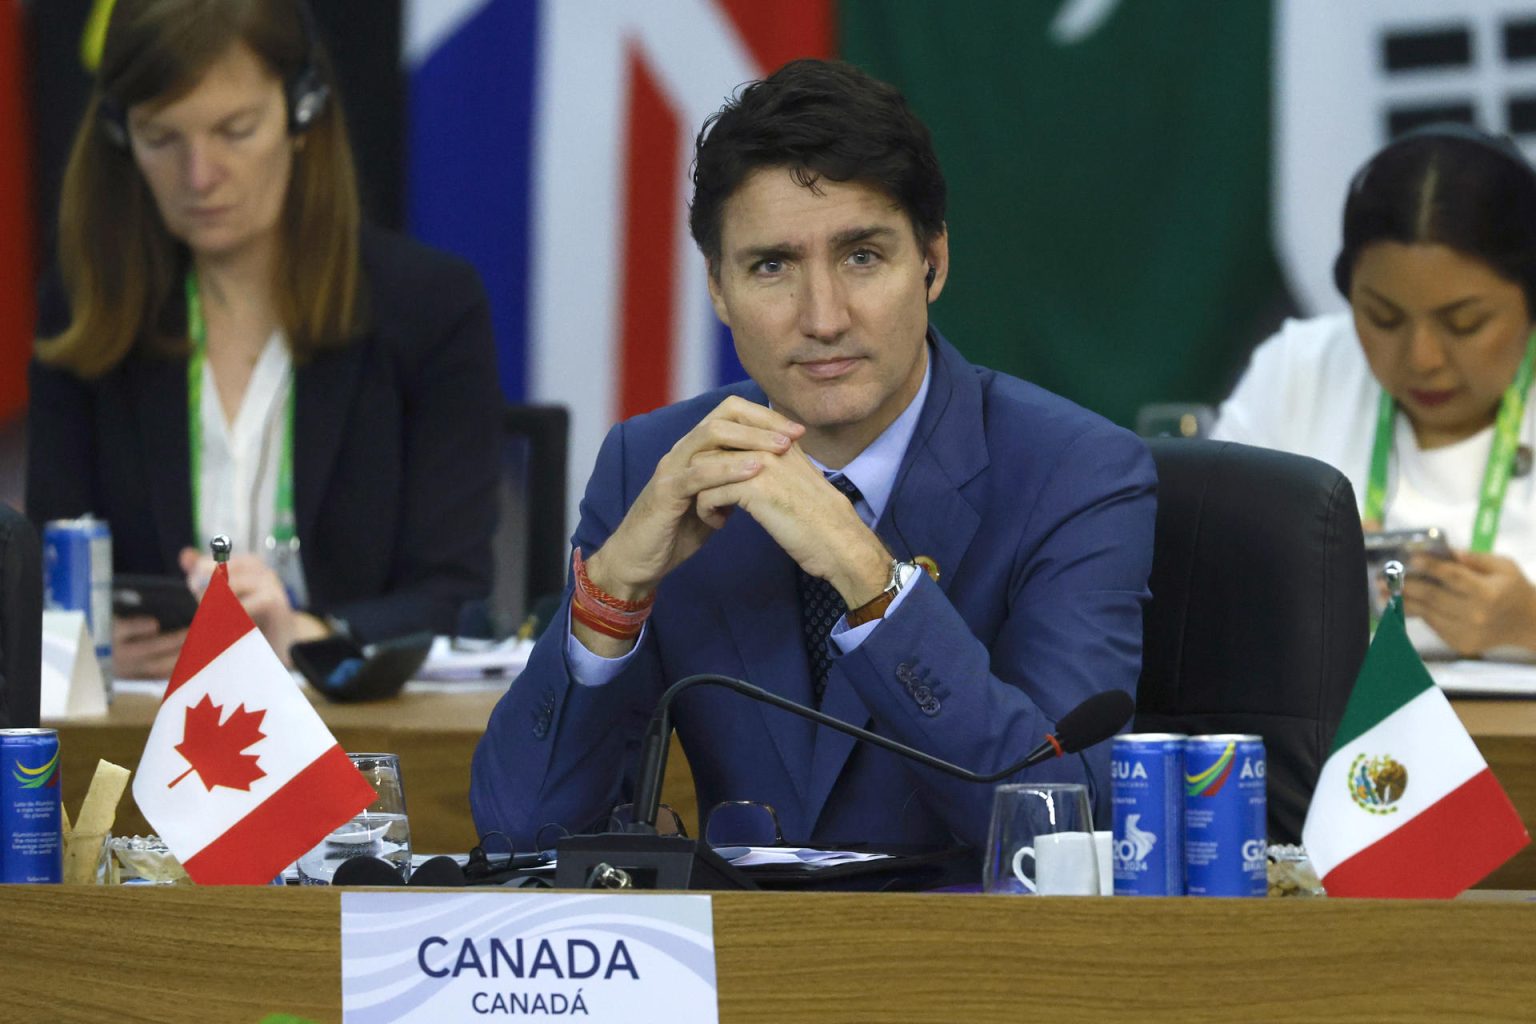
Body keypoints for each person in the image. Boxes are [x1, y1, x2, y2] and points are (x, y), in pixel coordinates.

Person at [470, 59, 1156, 853]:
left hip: (976, 964)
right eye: (772, 267)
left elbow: (1063, 827)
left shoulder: (1078, 472)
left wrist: (866, 577)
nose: (823, 317)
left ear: (932, 262)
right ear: (719, 290)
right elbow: (519, 834)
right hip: (740, 964)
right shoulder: (652, 463)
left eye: (862, 256)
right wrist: (614, 591)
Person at [26, 0, 500, 678]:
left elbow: (456, 597)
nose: (199, 175)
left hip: (359, 735)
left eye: (235, 130)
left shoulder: (429, 305)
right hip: (152, 731)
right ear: (119, 137)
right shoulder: (87, 307)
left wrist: (309, 632)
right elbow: (47, 570)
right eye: (161, 139)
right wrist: (83, 643)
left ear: (303, 113)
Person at [1215, 125, 1536, 660]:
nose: (1423, 358)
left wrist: (1529, 624)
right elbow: (1193, 584)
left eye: (1465, 323)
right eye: (1383, 318)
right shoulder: (1301, 369)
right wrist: (1295, 580)